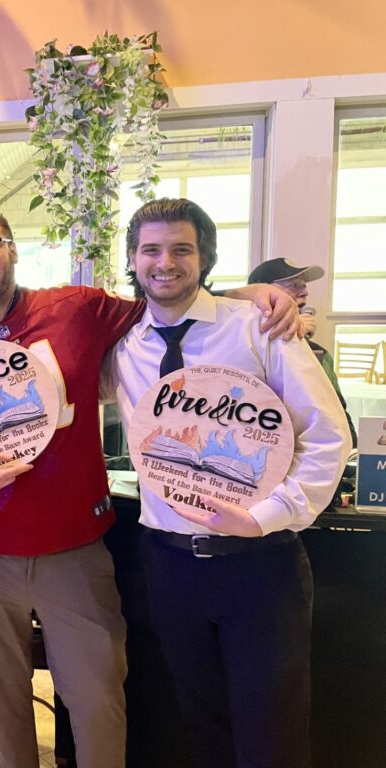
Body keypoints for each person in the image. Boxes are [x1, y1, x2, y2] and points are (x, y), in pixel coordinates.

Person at [0, 203, 299, 768]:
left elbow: (166, 295)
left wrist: (249, 294)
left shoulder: (76, 308)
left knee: (98, 697)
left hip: (75, 551)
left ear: (12, 248)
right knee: (0, 697)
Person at [106, 198, 350, 768]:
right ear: (134, 261)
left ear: (204, 257)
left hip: (260, 564)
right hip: (167, 566)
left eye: (181, 249)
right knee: (198, 727)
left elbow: (328, 436)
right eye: (151, 250)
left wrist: (264, 516)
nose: (165, 262)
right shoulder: (123, 343)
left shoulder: (260, 327)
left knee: (273, 736)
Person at [248, 257, 358, 446]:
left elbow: (335, 410)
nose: (304, 292)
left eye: (304, 285)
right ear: (263, 290)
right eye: (294, 285)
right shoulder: (247, 345)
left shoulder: (319, 354)